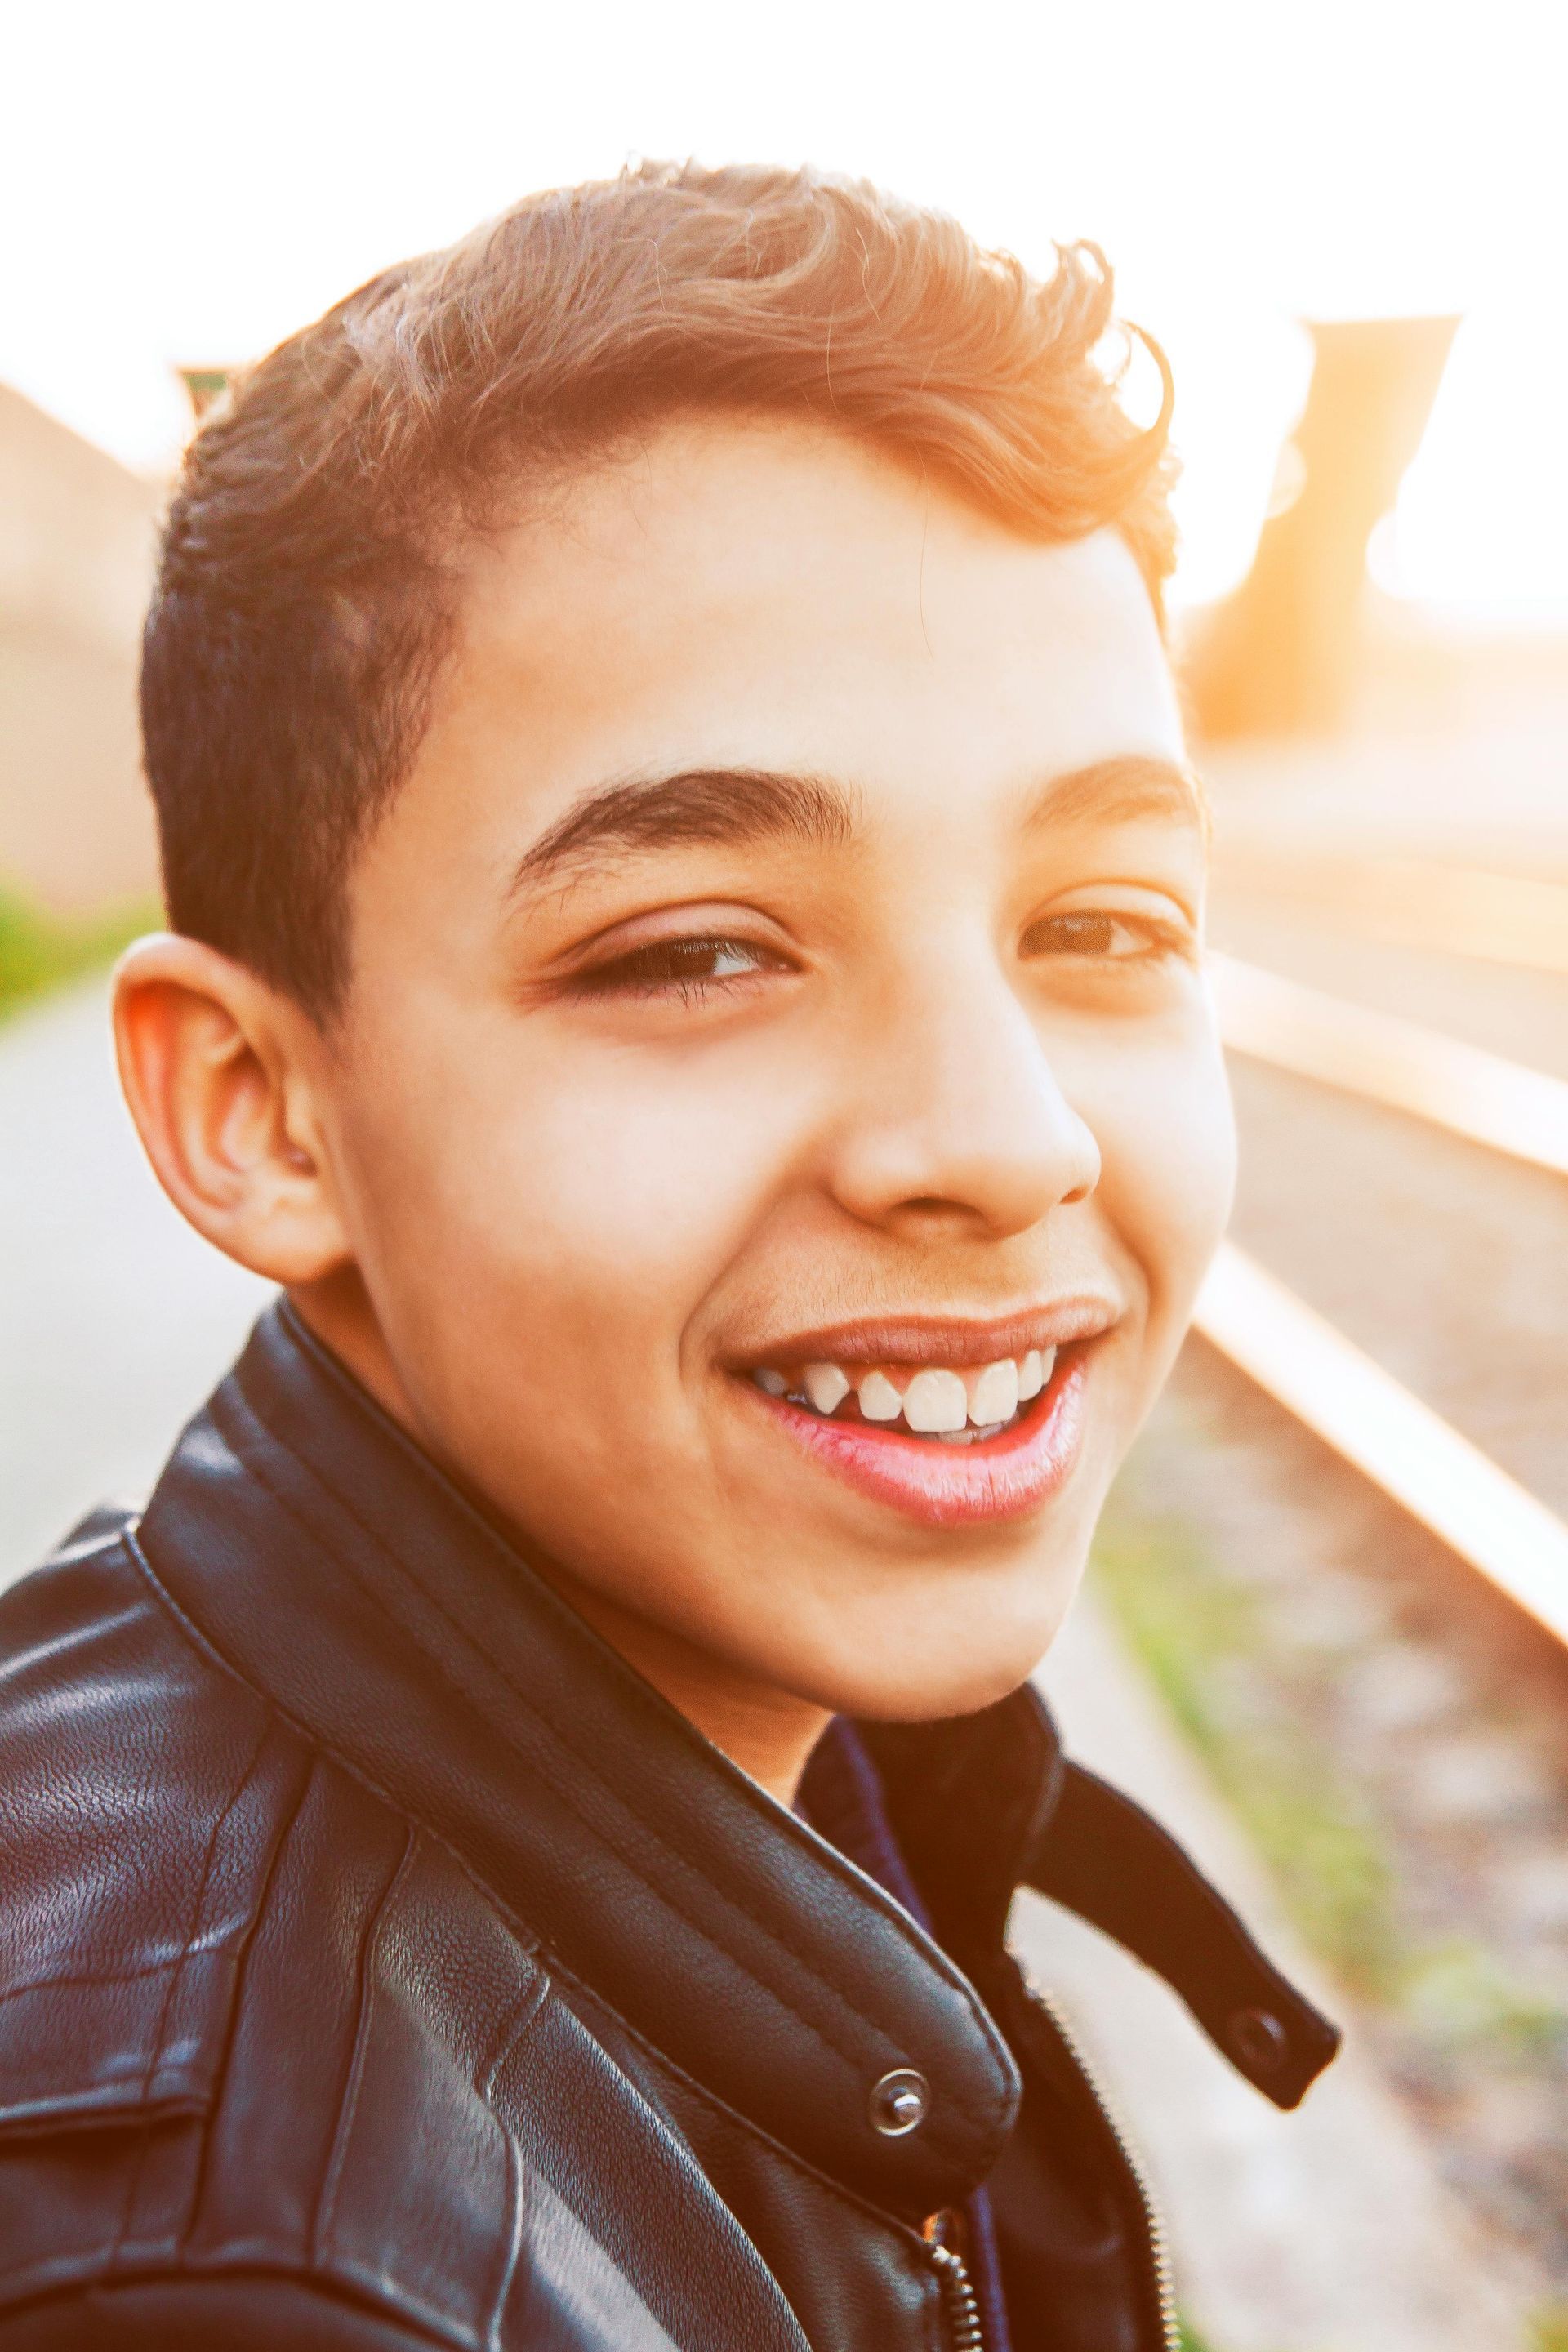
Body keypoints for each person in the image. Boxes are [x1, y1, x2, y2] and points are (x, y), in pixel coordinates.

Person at [0, 162, 1337, 2349]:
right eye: (700, 949)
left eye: (1101, 926)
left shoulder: (803, 1730)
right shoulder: (239, 2285)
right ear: (261, 1111)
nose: (1005, 1140)